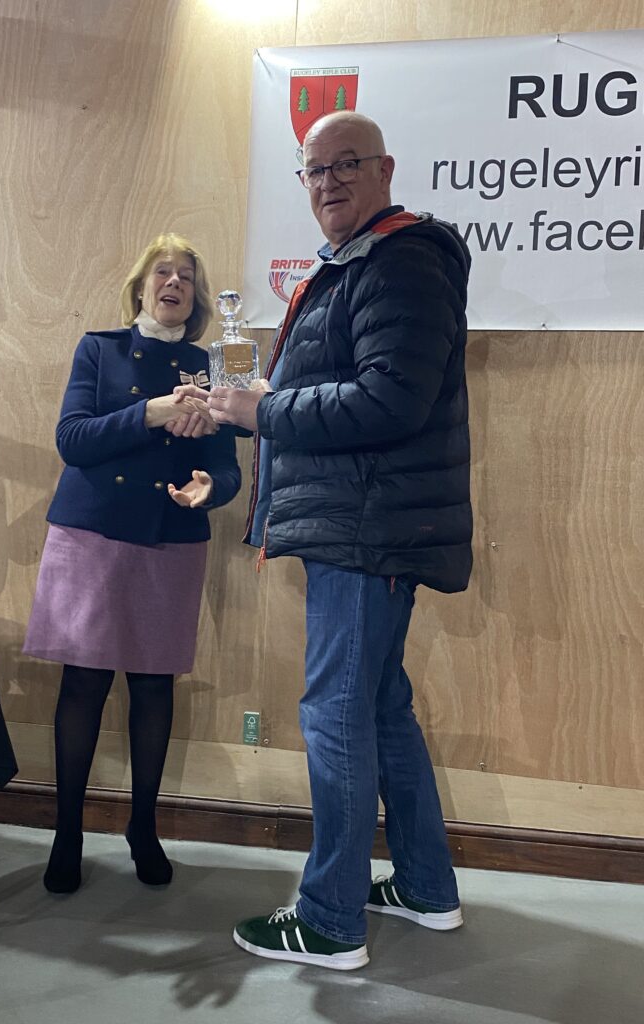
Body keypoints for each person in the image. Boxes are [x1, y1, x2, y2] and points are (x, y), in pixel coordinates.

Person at [178, 111, 472, 970]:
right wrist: (252, 404)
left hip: (366, 532)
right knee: (379, 708)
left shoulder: (402, 258)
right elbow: (349, 392)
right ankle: (424, 883)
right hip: (367, 522)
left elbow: (389, 402)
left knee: (336, 715)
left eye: (348, 164)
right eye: (315, 171)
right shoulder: (361, 264)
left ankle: (331, 918)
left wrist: (262, 408)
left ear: (385, 169)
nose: (330, 181)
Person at [23, 233, 240, 894]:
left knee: (152, 687)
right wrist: (150, 412)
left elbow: (228, 469)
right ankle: (66, 831)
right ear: (141, 286)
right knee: (83, 683)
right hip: (92, 535)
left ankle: (142, 827)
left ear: (196, 298)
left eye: (185, 276)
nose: (173, 282)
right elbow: (72, 439)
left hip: (172, 538)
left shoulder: (218, 363)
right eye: (161, 272)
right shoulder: (101, 349)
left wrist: (211, 490)